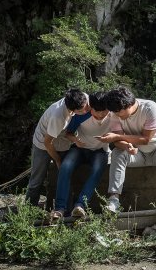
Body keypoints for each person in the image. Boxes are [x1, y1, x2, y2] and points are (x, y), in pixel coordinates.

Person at [96, 86, 156, 212]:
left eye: (118, 112)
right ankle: (113, 200)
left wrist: (116, 136)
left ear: (128, 105)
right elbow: (117, 142)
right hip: (136, 154)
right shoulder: (114, 114)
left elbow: (146, 139)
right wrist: (126, 145)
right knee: (117, 152)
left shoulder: (150, 108)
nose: (116, 115)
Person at [50, 91, 111, 220]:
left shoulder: (113, 116)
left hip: (100, 150)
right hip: (80, 149)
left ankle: (80, 206)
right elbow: (69, 133)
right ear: (90, 107)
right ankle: (60, 208)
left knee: (97, 170)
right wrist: (76, 141)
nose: (100, 115)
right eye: (97, 111)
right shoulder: (81, 115)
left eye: (104, 111)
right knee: (65, 166)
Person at [25, 88, 89, 207]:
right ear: (72, 109)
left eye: (86, 106)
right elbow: (47, 142)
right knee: (37, 179)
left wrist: (74, 139)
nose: (86, 110)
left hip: (62, 140)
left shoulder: (82, 98)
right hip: (43, 143)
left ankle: (67, 210)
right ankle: (29, 211)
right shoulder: (58, 117)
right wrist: (58, 160)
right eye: (82, 109)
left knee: (65, 173)